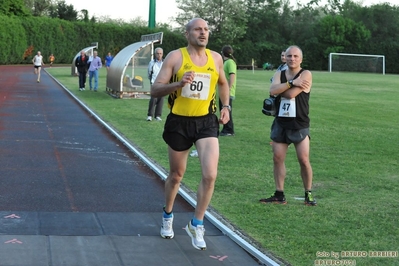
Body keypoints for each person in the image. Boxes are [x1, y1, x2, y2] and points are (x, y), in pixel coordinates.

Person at [151, 18, 231, 250]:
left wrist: (226, 107)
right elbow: (155, 89)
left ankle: (197, 224)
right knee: (176, 175)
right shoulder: (175, 57)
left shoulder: (216, 58)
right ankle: (167, 215)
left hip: (206, 122)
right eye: (198, 29)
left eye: (206, 29)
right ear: (187, 34)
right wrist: (178, 84)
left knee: (210, 174)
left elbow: (223, 83)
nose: (203, 33)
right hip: (179, 122)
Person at [259, 45, 317, 206]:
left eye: (295, 56)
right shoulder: (280, 73)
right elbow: (272, 90)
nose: (292, 59)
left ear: (301, 59)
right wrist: (292, 83)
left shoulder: (306, 74)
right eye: (289, 56)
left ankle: (308, 193)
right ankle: (279, 194)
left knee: (303, 160)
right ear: (285, 57)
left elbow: (290, 94)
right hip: (281, 122)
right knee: (277, 158)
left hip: (299, 123)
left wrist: (281, 88)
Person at [219, 45, 237, 136]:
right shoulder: (225, 62)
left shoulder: (230, 62)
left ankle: (229, 130)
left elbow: (232, 76)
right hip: (223, 91)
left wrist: (228, 89)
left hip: (227, 92)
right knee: (222, 109)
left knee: (227, 110)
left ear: (222, 52)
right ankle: (225, 128)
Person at [146, 47, 165, 121]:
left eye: (160, 54)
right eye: (157, 53)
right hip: (154, 83)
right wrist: (151, 81)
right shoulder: (152, 63)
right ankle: (150, 115)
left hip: (163, 83)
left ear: (162, 54)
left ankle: (158, 115)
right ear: (155, 54)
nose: (159, 55)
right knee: (153, 99)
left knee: (161, 99)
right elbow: (149, 73)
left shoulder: (165, 62)